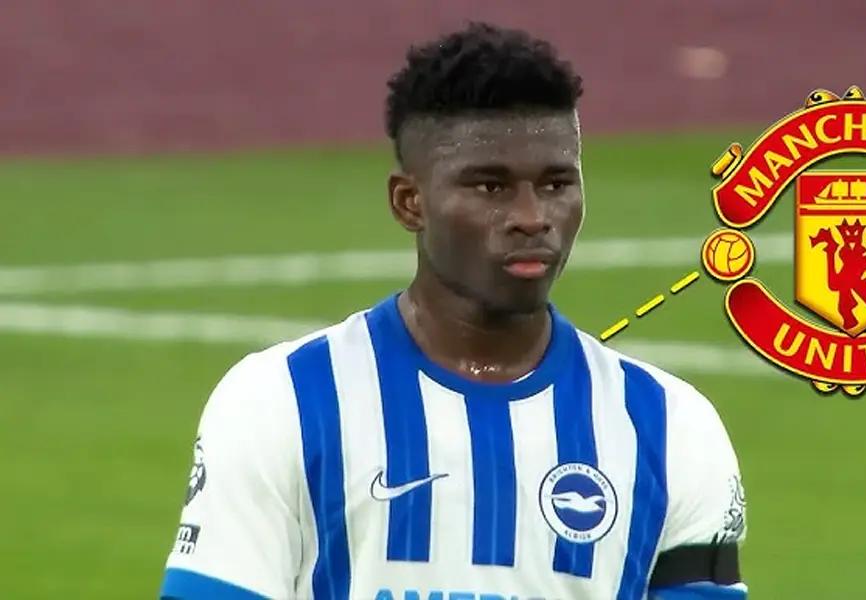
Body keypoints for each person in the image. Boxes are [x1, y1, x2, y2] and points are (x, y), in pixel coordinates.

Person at [159, 21, 748, 600]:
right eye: (491, 187)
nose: (532, 218)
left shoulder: (672, 429)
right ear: (409, 202)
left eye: (555, 184)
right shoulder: (279, 403)